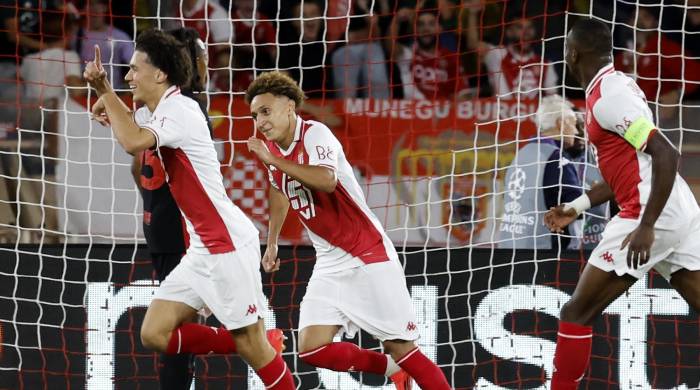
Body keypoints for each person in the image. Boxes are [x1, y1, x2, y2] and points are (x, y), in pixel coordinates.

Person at [83, 29, 294, 389]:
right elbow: (134, 128)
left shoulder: (181, 110)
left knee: (256, 353)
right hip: (201, 249)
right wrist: (112, 103)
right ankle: (255, 341)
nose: (129, 76)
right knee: (154, 332)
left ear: (160, 74)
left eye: (135, 69)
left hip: (225, 246)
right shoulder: (164, 107)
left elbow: (133, 140)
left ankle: (259, 345)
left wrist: (105, 90)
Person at [245, 71, 451, 390]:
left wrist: (271, 159)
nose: (260, 120)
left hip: (366, 253)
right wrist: (271, 242)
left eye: (266, 111)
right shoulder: (272, 149)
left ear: (288, 107)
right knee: (313, 348)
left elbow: (326, 180)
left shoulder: (315, 134)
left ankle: (401, 364)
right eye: (255, 114)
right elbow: (278, 188)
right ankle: (390, 369)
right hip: (330, 260)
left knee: (405, 349)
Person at [545, 19, 700, 389]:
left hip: (648, 216)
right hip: (677, 208)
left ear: (572, 53)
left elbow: (665, 154)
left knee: (576, 312)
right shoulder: (615, 85)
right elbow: (629, 170)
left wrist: (646, 226)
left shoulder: (609, 98)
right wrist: (578, 205)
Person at [497, 94, 582, 250]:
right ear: (561, 123)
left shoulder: (521, 153)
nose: (576, 131)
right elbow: (576, 205)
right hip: (543, 252)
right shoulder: (556, 158)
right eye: (574, 124)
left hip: (509, 245)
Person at [614, 5, 700, 121]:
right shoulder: (623, 56)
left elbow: (695, 73)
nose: (639, 21)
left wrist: (676, 94)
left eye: (646, 17)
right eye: (635, 16)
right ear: (629, 22)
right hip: (628, 117)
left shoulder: (664, 47)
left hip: (661, 119)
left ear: (655, 22)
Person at [465, 0, 558, 99]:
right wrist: (472, 14)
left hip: (534, 114)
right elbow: (473, 44)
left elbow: (552, 98)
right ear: (509, 32)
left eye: (529, 27)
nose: (525, 33)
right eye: (520, 28)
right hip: (501, 113)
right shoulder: (497, 55)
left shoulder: (545, 64)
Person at [390, 5, 471, 100]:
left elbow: (464, 94)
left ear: (440, 29)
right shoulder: (409, 54)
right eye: (421, 24)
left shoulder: (451, 58)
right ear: (415, 30)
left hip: (442, 112)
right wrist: (396, 21)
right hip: (412, 111)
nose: (426, 29)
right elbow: (391, 46)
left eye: (431, 24)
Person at [76, 0, 134, 90]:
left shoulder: (120, 36)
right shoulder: (75, 37)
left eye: (98, 3)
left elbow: (134, 63)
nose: (94, 8)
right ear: (83, 8)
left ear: (105, 7)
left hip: (113, 94)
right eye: (89, 4)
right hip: (84, 95)